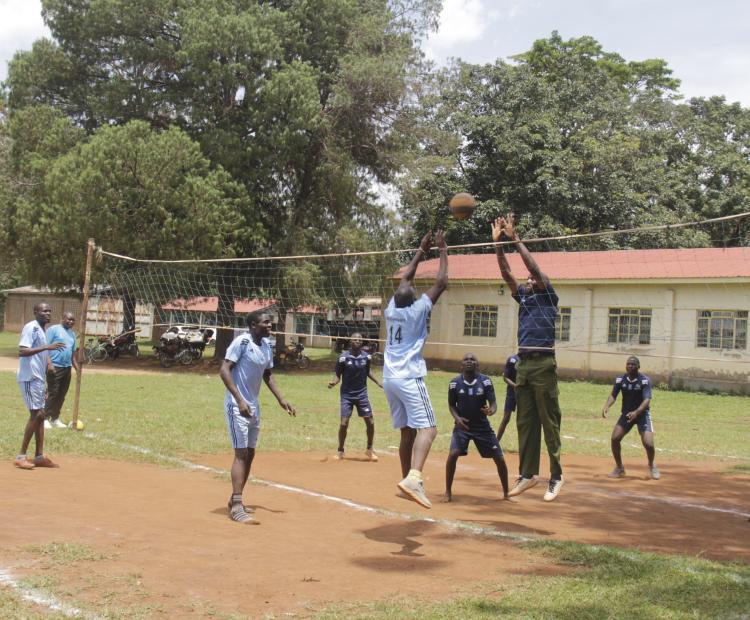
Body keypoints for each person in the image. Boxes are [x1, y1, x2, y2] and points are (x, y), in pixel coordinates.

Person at [492, 213, 563, 502]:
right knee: (525, 421)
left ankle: (556, 476)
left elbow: (532, 266)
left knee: (549, 421)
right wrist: (497, 245)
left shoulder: (548, 295)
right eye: (529, 279)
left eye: (533, 278)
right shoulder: (524, 296)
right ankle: (528, 473)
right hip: (523, 363)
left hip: (544, 362)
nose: (529, 279)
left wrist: (515, 238)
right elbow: (508, 274)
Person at [383, 230, 448, 509]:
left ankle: (405, 482)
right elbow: (442, 283)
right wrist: (442, 249)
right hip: (409, 376)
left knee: (407, 433)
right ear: (414, 300)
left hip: (389, 379)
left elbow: (406, 279)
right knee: (429, 429)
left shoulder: (391, 309)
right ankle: (414, 478)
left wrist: (421, 249)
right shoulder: (417, 310)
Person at [219, 311, 296, 524]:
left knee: (251, 453)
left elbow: (268, 375)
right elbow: (224, 370)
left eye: (270, 322)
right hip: (237, 406)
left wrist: (282, 399)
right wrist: (240, 400)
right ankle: (236, 506)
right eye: (265, 322)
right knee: (241, 453)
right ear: (253, 325)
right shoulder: (241, 342)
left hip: (253, 407)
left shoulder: (266, 345)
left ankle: (236, 500)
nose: (270, 325)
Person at [441, 352, 513, 503]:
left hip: (482, 427)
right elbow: (451, 405)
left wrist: (491, 410)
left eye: (472, 359)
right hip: (463, 426)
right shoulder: (454, 383)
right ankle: (447, 492)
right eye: (466, 359)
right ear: (461, 364)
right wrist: (457, 418)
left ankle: (506, 493)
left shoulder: (485, 382)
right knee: (453, 454)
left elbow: (493, 403)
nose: (469, 361)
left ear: (477, 364)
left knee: (499, 458)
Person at [15, 302, 66, 470]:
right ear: (36, 312)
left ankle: (39, 456)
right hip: (29, 377)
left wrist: (47, 370)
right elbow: (22, 351)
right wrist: (47, 347)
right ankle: (21, 456)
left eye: (50, 311)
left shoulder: (42, 330)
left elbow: (41, 357)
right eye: (44, 311)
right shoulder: (32, 327)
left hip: (37, 378)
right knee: (36, 415)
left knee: (42, 415)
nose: (48, 313)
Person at [602, 356, 660, 480]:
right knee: (615, 438)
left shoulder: (644, 380)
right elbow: (613, 395)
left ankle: (651, 465)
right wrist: (607, 406)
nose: (630, 366)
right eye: (628, 364)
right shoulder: (620, 380)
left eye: (633, 364)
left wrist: (636, 412)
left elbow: (647, 400)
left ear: (638, 367)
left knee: (649, 444)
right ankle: (619, 468)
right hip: (627, 415)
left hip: (642, 414)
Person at [328, 332, 382, 461]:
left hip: (362, 394)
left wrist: (379, 382)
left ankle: (369, 449)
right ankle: (340, 451)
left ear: (362, 342)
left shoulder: (367, 357)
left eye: (359, 340)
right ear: (350, 341)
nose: (357, 341)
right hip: (347, 395)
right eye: (355, 339)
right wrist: (333, 382)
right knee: (344, 423)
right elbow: (337, 375)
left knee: (370, 421)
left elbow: (368, 372)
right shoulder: (343, 358)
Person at [45, 312, 79, 428]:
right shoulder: (53, 330)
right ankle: (44, 418)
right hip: (54, 366)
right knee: (52, 392)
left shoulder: (72, 334)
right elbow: (45, 347)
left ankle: (55, 418)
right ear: (63, 318)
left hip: (67, 368)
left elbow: (73, 353)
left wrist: (76, 368)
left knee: (61, 394)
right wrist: (49, 364)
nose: (71, 322)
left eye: (73, 320)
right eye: (69, 319)